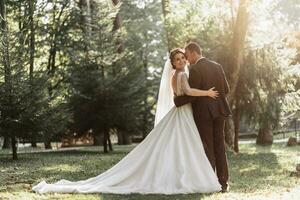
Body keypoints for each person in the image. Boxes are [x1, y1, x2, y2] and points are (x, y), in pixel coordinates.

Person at [32, 48, 221, 194]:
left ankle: (185, 176)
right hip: (182, 114)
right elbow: (187, 92)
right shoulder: (178, 74)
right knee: (183, 145)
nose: (180, 61)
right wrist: (207, 93)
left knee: (183, 146)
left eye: (182, 58)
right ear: (172, 63)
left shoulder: (180, 74)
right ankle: (188, 178)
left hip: (184, 113)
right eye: (177, 59)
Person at [174, 42, 232, 192]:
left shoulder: (196, 69)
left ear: (193, 53)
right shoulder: (217, 66)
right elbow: (226, 89)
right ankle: (223, 183)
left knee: (208, 146)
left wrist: (178, 101)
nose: (187, 59)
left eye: (187, 55)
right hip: (220, 111)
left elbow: (191, 94)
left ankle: (210, 181)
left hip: (204, 114)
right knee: (219, 145)